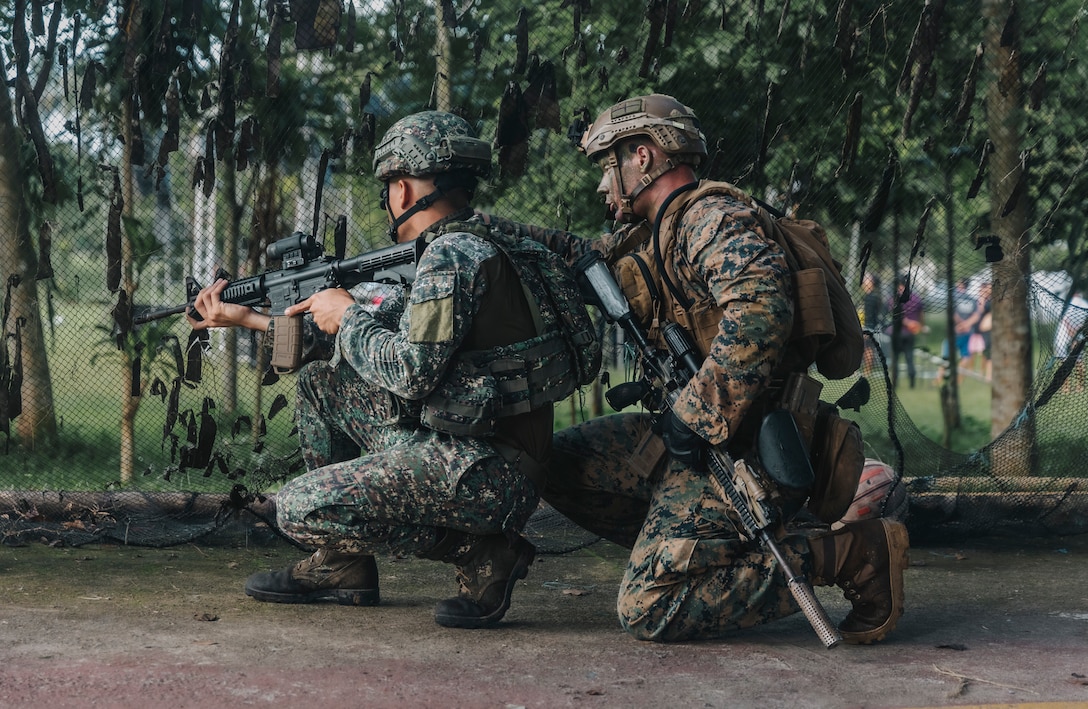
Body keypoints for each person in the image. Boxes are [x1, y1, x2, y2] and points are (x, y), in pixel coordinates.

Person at [187, 111, 593, 629]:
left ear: (401, 190)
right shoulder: (468, 243)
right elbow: (370, 344)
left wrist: (348, 316)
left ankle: (480, 551)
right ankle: (346, 565)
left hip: (487, 472)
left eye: (387, 188)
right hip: (480, 444)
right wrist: (246, 318)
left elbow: (409, 373)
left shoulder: (452, 258)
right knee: (319, 384)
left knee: (300, 509)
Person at [527, 93, 909, 643]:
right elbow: (577, 257)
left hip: (747, 445)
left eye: (607, 167)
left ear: (644, 156)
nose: (600, 185)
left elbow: (761, 304)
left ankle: (852, 553)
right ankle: (691, 544)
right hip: (695, 439)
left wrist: (698, 412)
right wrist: (479, 229)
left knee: (648, 608)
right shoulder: (655, 231)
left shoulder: (708, 216)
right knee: (551, 462)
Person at [888, 275, 923, 389]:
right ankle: (912, 384)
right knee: (909, 358)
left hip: (897, 333)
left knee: (896, 359)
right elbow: (921, 316)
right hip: (910, 333)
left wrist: (908, 323)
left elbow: (896, 316)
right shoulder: (916, 298)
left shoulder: (895, 299)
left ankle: (895, 383)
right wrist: (918, 325)